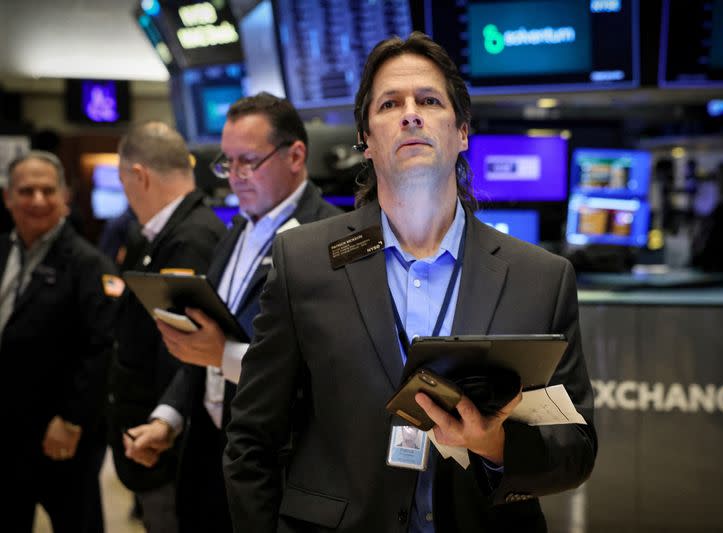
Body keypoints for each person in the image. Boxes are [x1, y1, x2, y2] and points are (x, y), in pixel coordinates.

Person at [223, 32, 597, 533]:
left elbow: (576, 449)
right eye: (390, 103)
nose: (411, 114)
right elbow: (252, 438)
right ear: (367, 140)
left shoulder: (540, 278)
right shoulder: (304, 262)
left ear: (462, 132)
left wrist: (495, 444)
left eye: (429, 100)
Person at [150, 92, 341, 532]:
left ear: (296, 155)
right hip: (209, 453)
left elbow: (327, 374)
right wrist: (169, 418)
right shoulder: (235, 230)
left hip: (279, 465)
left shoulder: (330, 241)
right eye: (226, 163)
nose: (234, 177)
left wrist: (224, 355)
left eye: (248, 162)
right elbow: (206, 344)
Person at [107, 121, 227, 533]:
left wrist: (164, 427)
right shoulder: (164, 234)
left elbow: (186, 354)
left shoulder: (190, 238)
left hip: (169, 448)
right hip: (157, 437)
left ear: (138, 176)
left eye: (124, 184)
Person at [2, 151, 118, 532]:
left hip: (62, 433)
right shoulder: (3, 250)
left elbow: (103, 346)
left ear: (65, 197)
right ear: (7, 197)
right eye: (26, 191)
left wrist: (72, 418)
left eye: (47, 190)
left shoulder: (88, 264)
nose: (37, 200)